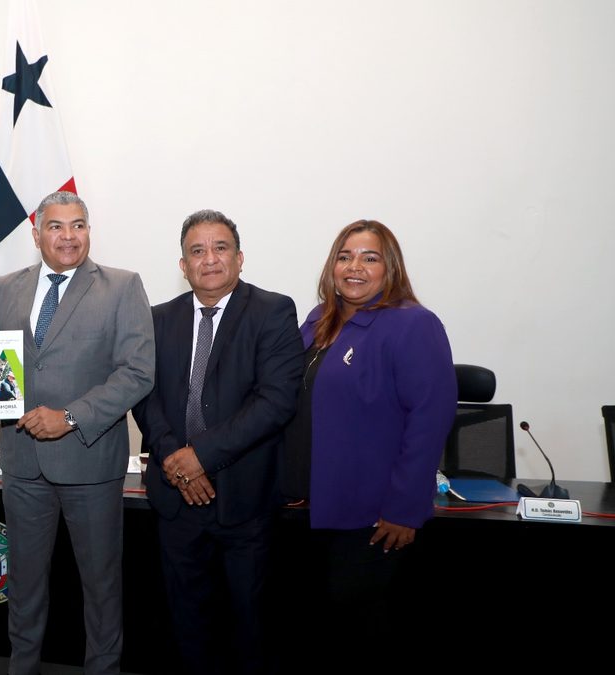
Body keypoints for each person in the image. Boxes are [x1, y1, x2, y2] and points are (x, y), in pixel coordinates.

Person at [132, 210, 303, 674]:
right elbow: (144, 398)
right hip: (176, 500)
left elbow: (275, 401)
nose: (210, 259)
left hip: (244, 500)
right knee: (186, 624)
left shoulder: (273, 311)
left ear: (240, 257)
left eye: (221, 248)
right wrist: (174, 459)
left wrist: (200, 457)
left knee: (250, 626)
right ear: (183, 265)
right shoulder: (157, 319)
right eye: (197, 251)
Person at [0, 191, 154, 675]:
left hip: (90, 459)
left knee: (101, 586)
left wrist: (71, 416)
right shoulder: (6, 285)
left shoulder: (122, 286)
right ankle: (21, 667)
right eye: (57, 226)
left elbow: (137, 372)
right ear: (36, 233)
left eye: (78, 225)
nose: (69, 236)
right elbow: (3, 363)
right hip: (21, 462)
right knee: (23, 583)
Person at [283, 219, 455, 665]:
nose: (354, 266)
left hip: (369, 520)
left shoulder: (412, 324)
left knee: (359, 638)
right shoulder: (318, 320)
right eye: (344, 256)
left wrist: (404, 507)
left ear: (390, 268)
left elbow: (429, 420)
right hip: (307, 509)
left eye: (369, 257)